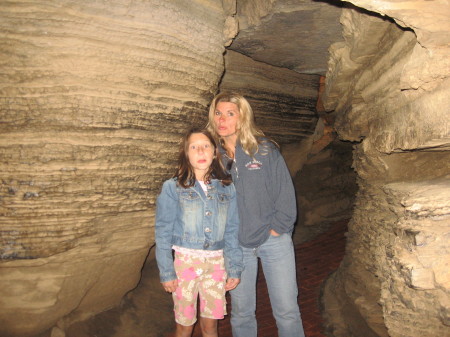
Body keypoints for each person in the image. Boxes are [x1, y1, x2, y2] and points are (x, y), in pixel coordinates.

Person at [206, 92, 305, 337]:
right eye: (218, 113)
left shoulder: (264, 150)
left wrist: (278, 228)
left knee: (287, 310)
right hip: (236, 246)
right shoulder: (209, 157)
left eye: (230, 113)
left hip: (273, 241)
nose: (222, 119)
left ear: (242, 118)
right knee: (241, 313)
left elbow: (284, 193)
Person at [155, 127, 243, 337]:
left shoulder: (227, 188)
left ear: (214, 152)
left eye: (206, 146)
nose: (201, 152)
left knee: (211, 326)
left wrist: (234, 267)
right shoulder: (173, 187)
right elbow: (163, 231)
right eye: (194, 147)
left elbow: (232, 230)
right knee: (185, 326)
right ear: (186, 154)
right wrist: (166, 272)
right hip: (185, 264)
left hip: (216, 265)